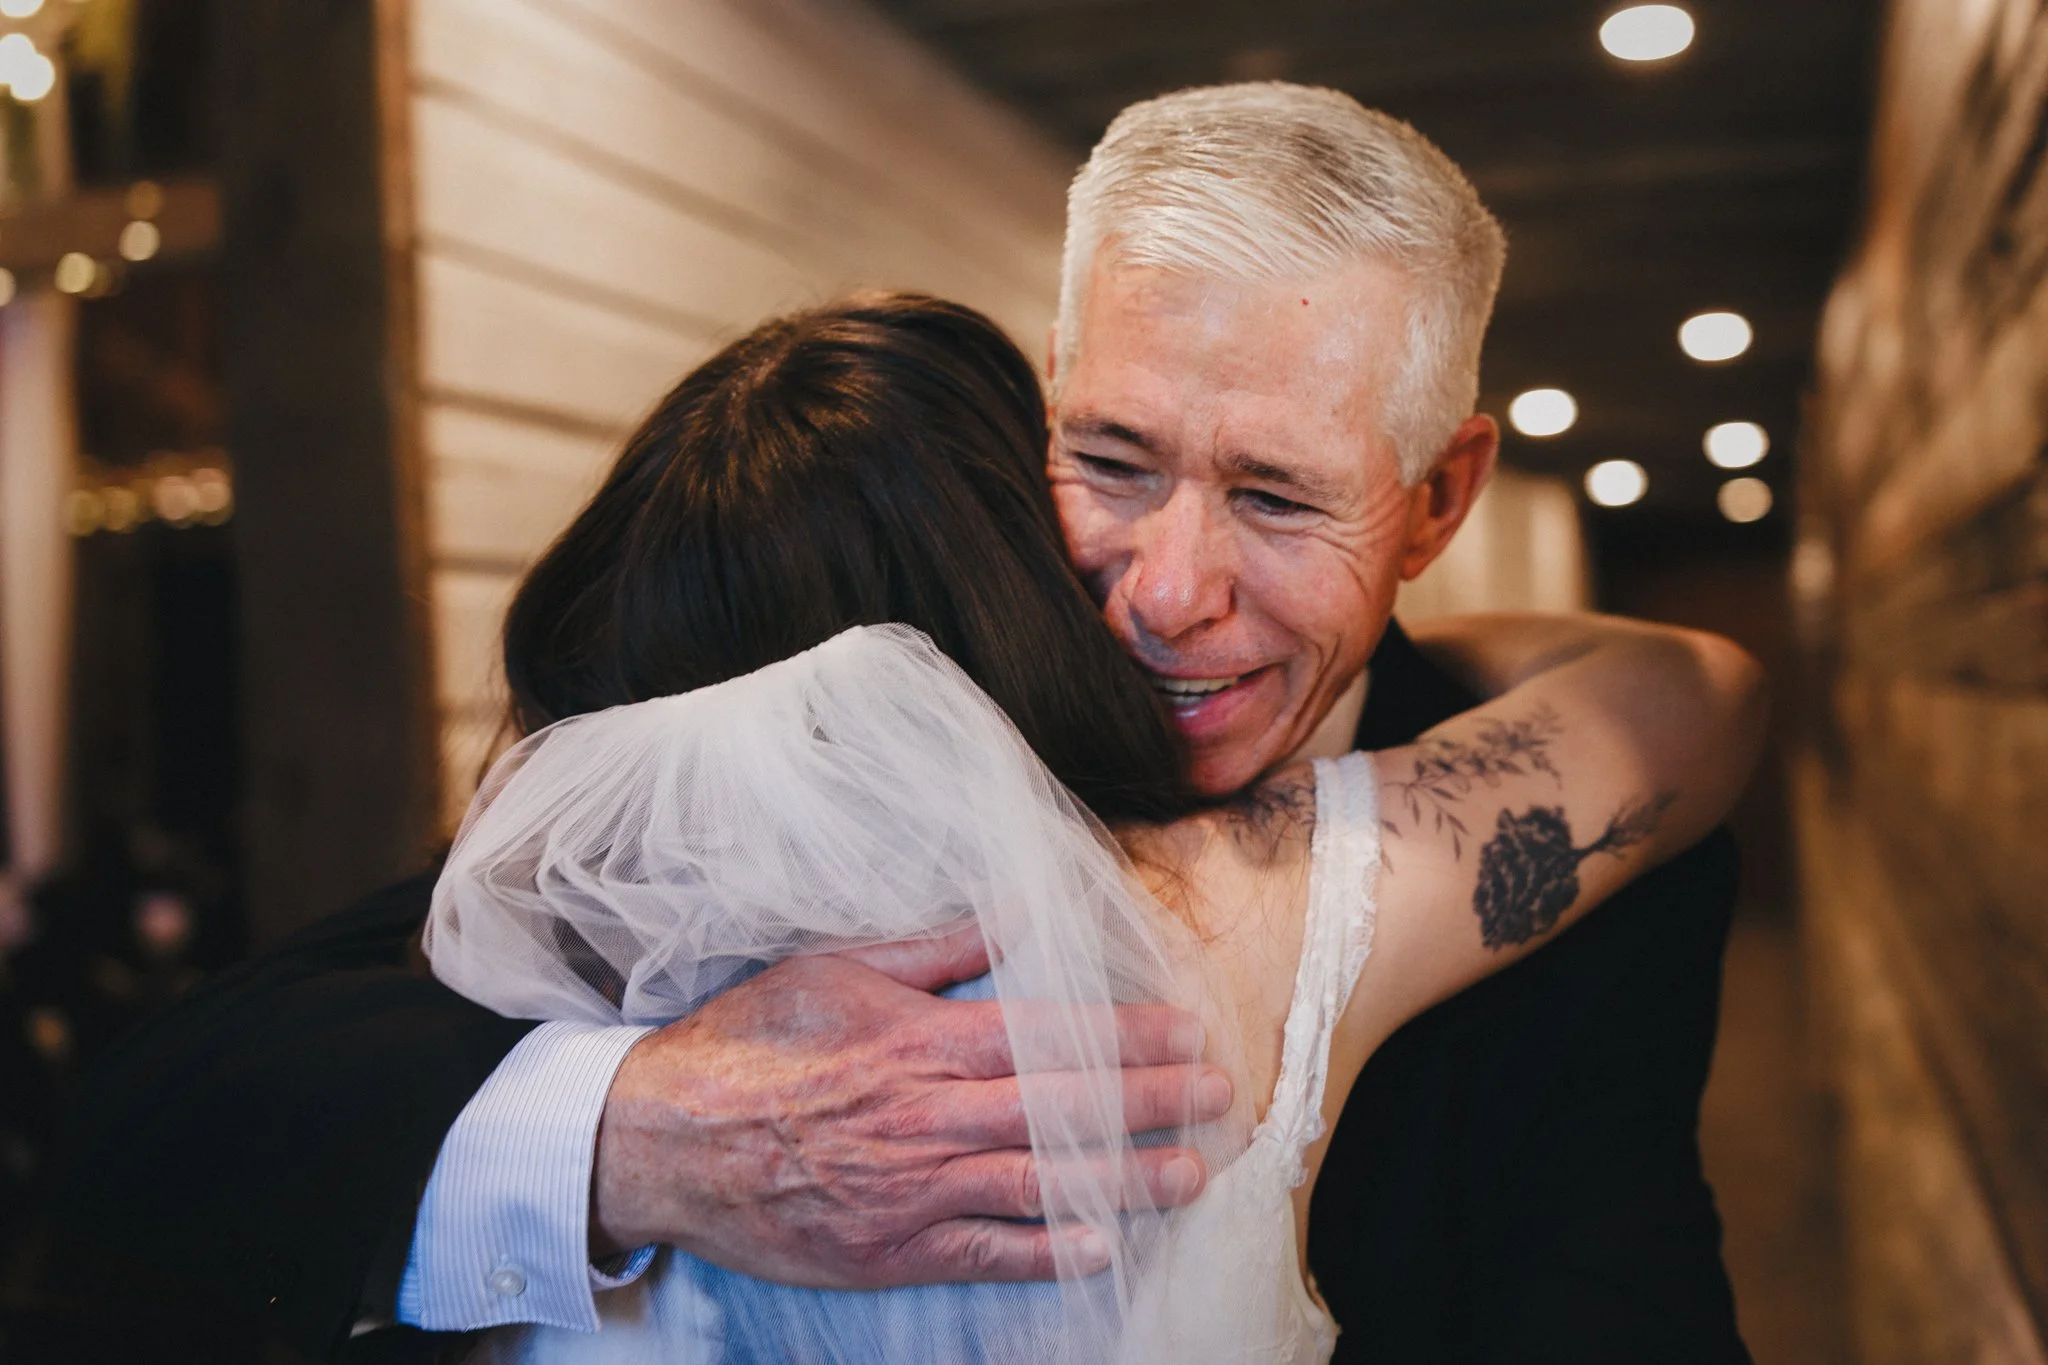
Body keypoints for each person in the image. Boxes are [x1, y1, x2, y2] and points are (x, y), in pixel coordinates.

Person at [62, 84, 1754, 1363]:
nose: (1166, 593)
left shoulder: (1604, 858)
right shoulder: (853, 740)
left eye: (1277, 497)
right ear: (1045, 394)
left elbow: (1621, 1291)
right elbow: (199, 1099)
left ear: (1441, 494)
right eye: (1111, 459)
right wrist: (633, 1134)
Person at [408, 290, 1762, 1365]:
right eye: (1103, 470)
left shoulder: (547, 964)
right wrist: (1331, 628)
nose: (1165, 593)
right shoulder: (1228, 910)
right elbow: (1683, 690)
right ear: (1006, 604)